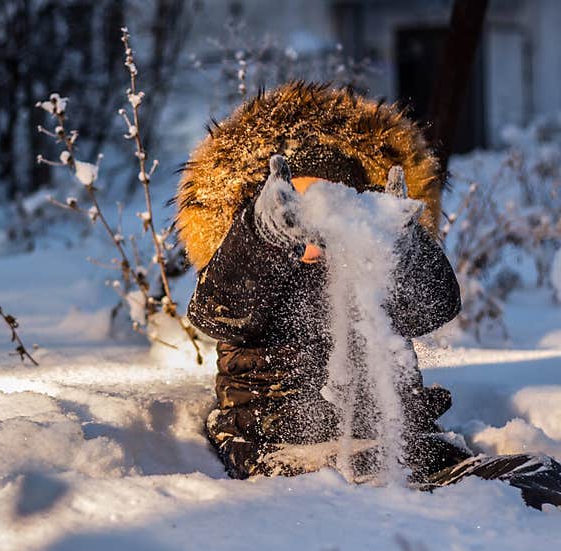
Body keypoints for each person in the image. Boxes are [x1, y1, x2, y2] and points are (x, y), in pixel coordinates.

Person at [174, 82, 561, 509]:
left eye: (333, 208)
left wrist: (402, 245)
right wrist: (264, 237)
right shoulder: (250, 256)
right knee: (373, 499)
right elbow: (218, 314)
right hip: (280, 444)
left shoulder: (372, 263)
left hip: (399, 441)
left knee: (539, 475)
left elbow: (434, 307)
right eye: (299, 208)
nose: (315, 225)